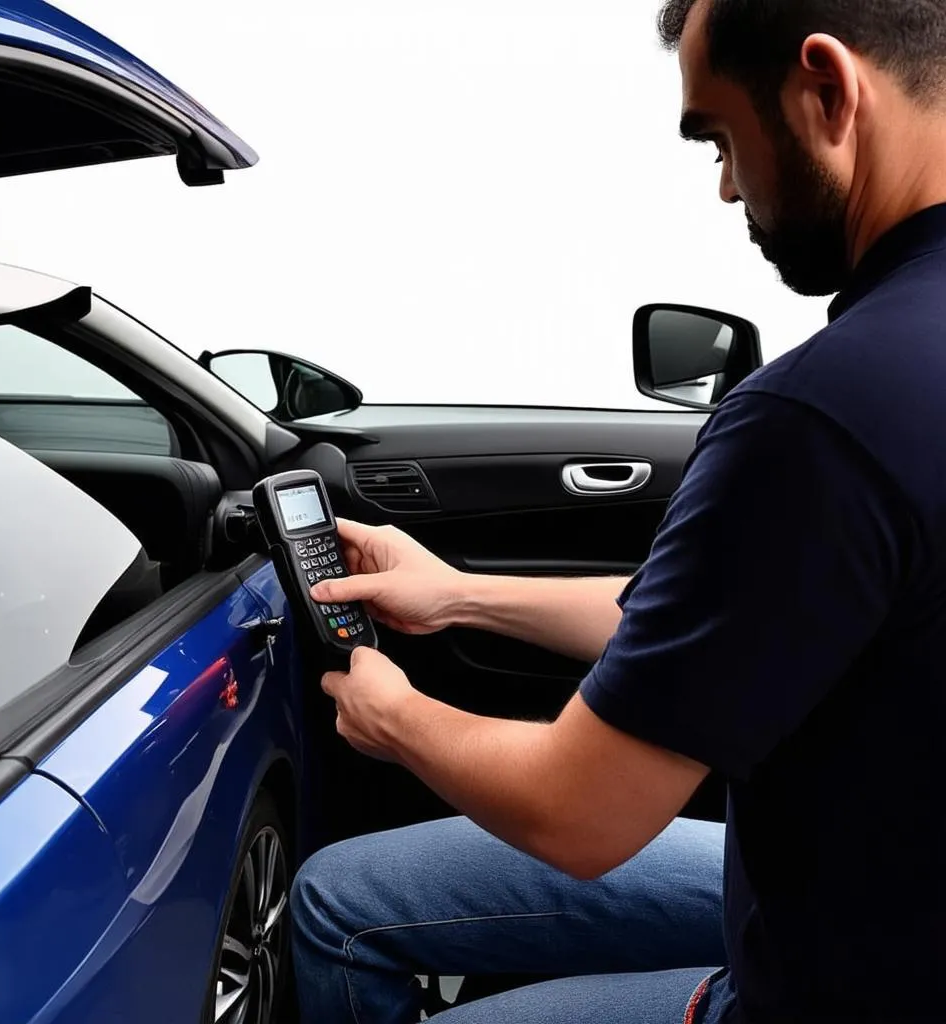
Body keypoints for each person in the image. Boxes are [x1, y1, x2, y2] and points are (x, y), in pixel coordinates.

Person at [290, 0, 946, 1020]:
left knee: (337, 910)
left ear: (825, 89)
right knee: (345, 893)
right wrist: (462, 595)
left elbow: (578, 814)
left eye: (721, 138)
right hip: (881, 900)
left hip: (822, 985)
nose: (729, 183)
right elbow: (722, 616)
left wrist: (396, 716)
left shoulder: (820, 416)